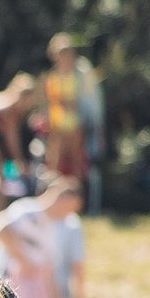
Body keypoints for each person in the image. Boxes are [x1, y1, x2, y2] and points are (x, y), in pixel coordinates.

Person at [40, 35, 101, 187]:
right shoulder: (53, 75)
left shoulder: (80, 73)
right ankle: (53, 194)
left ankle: (76, 197)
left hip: (76, 125)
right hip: (57, 125)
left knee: (76, 162)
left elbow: (81, 101)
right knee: (54, 162)